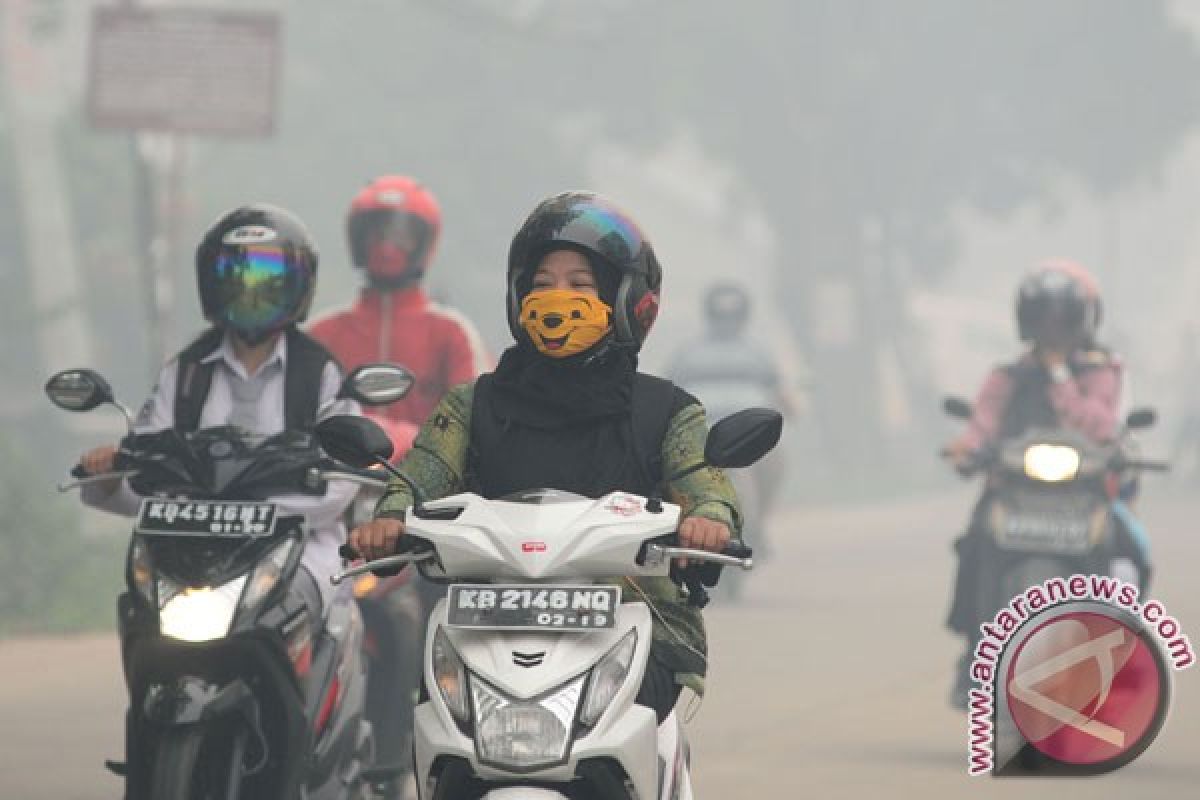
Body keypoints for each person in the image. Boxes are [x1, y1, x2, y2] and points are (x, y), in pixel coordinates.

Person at [350, 191, 742, 720]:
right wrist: (391, 519)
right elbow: (422, 476)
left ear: (627, 301)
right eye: (542, 284)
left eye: (580, 284)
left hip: (629, 625)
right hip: (485, 629)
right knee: (435, 723)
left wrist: (709, 520)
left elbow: (705, 484)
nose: (558, 298)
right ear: (518, 297)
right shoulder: (473, 404)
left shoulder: (669, 411)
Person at [77, 204, 360, 617]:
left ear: (298, 285)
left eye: (268, 279)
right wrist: (106, 476)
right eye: (236, 277)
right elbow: (145, 470)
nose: (251, 291)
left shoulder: (321, 373)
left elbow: (340, 483)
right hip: (189, 552)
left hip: (300, 547)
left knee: (295, 611)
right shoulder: (185, 372)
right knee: (139, 611)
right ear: (211, 285)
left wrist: (250, 513)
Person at [941, 259, 1146, 706]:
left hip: (1084, 497)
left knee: (1131, 552)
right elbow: (983, 424)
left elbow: (1100, 427)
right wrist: (966, 448)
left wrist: (1059, 378)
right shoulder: (1007, 376)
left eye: (1063, 318)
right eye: (1042, 318)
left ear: (1083, 321)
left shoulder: (1103, 373)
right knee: (974, 544)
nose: (1052, 330)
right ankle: (974, 652)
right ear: (1026, 320)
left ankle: (1119, 650)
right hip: (1013, 493)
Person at [309, 175, 489, 432]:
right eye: (377, 234)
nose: (387, 246)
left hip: (423, 470)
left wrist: (410, 442)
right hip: (336, 469)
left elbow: (472, 421)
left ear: (423, 243)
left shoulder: (451, 332)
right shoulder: (324, 333)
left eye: (401, 235)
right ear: (359, 239)